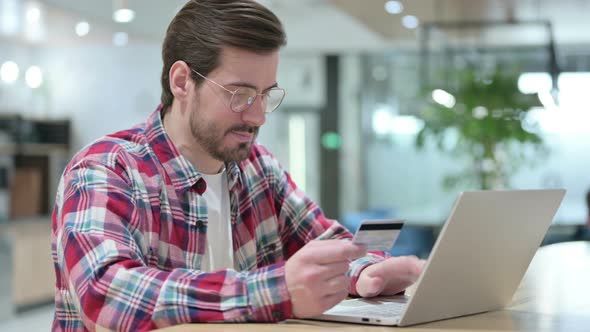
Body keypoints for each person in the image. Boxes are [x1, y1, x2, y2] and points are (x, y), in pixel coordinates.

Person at [51, 0, 424, 330]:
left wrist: (364, 273)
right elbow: (105, 294)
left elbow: (328, 242)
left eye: (265, 94)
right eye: (241, 94)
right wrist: (275, 291)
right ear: (182, 81)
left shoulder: (258, 169)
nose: (259, 115)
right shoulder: (105, 168)